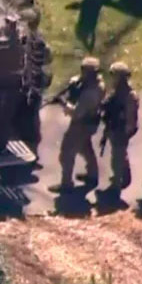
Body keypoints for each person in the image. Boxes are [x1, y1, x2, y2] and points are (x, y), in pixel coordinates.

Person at [49, 57, 105, 193]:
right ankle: (92, 175)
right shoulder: (95, 83)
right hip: (90, 123)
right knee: (85, 148)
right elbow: (78, 83)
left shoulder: (91, 92)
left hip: (82, 124)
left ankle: (66, 183)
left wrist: (63, 103)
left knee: (67, 152)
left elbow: (76, 113)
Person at [15, 8, 52, 159]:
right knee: (30, 114)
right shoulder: (36, 40)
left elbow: (41, 61)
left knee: (30, 116)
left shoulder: (32, 41)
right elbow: (48, 60)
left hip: (32, 84)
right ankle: (30, 146)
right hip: (31, 82)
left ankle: (32, 149)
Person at [100, 62, 139, 199]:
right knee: (119, 155)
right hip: (114, 127)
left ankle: (116, 186)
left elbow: (131, 116)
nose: (111, 78)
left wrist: (126, 133)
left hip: (121, 130)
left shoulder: (129, 95)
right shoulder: (116, 92)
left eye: (114, 75)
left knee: (117, 158)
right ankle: (123, 174)